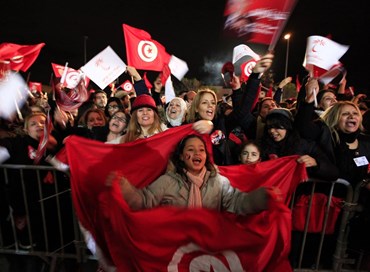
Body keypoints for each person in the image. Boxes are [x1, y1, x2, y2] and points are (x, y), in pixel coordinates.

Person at [109, 134, 271, 214]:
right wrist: (123, 186)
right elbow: (144, 201)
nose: (197, 154)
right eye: (190, 150)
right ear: (181, 156)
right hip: (174, 248)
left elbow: (238, 202)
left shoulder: (218, 181)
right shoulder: (167, 181)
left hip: (206, 249)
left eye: (201, 150)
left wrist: (262, 197)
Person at [260, 108, 339, 181]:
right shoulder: (262, 146)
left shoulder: (306, 145)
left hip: (299, 193)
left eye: (277, 127)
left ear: (288, 126)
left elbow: (333, 172)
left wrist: (316, 164)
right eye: (269, 127)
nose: (272, 131)